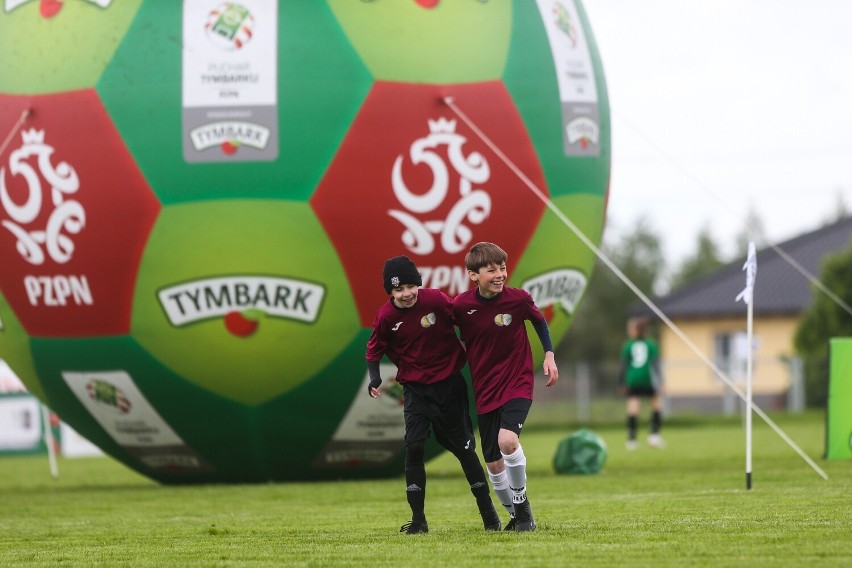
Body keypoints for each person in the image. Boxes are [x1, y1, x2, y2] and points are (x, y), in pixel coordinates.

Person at [365, 255, 502, 535]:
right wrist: (375, 377)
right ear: (390, 293)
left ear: (418, 284)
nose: (406, 294)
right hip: (416, 391)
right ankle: (418, 521)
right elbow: (373, 349)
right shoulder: (386, 317)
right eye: (398, 290)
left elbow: (467, 321)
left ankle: (489, 515)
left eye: (409, 286)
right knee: (414, 447)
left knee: (465, 451)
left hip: (449, 387)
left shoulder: (436, 301)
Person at [452, 242, 558, 532]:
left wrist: (549, 354)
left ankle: (523, 510)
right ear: (474, 275)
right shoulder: (461, 306)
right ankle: (517, 515)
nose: (500, 274)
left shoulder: (518, 299)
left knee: (508, 441)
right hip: (485, 390)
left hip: (517, 382)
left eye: (503, 268)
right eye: (491, 270)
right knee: (494, 465)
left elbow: (540, 322)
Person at [619, 316, 664, 450]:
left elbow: (623, 365)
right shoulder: (651, 344)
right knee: (656, 405)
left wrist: (621, 382)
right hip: (648, 378)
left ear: (635, 330)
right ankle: (654, 436)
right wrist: (661, 382)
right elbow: (656, 364)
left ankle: (632, 440)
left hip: (632, 379)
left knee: (633, 407)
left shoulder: (628, 345)